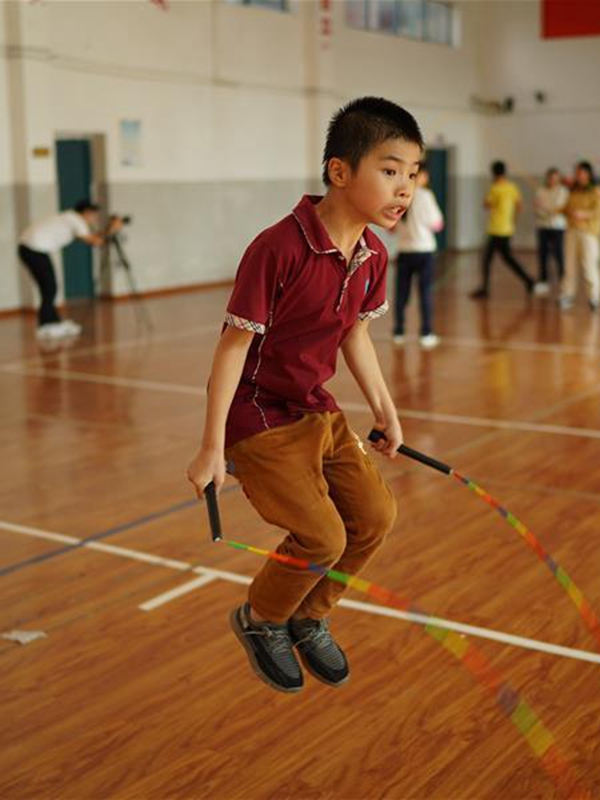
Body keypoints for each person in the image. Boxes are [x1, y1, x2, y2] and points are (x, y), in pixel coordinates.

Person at [185, 97, 412, 694]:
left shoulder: (373, 256)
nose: (405, 187)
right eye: (390, 170)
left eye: (412, 174)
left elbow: (355, 336)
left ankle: (310, 616)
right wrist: (211, 448)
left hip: (315, 408)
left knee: (375, 517)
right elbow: (232, 348)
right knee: (322, 537)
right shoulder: (278, 248)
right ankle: (261, 619)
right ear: (340, 172)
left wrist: (387, 413)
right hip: (257, 413)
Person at [17, 201, 121, 340]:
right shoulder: (76, 220)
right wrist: (112, 229)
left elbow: (93, 236)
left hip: (30, 248)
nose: (94, 219)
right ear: (86, 213)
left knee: (50, 286)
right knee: (49, 287)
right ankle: (46, 325)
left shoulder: (70, 217)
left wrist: (107, 230)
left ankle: (53, 322)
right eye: (93, 216)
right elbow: (95, 242)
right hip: (34, 250)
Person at [471, 161, 548, 300]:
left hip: (496, 230)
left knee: (497, 259)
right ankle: (488, 288)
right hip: (507, 229)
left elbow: (486, 204)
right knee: (495, 259)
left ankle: (528, 282)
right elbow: (519, 206)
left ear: (494, 173)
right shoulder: (512, 187)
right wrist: (511, 220)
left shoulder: (495, 188)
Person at [393, 166, 444, 348]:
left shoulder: (399, 195)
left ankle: (398, 331)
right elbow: (438, 224)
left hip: (404, 251)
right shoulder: (425, 196)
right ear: (421, 176)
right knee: (425, 293)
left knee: (401, 294)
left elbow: (391, 227)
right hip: (424, 251)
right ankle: (426, 333)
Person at [560, 161, 600, 311]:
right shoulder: (573, 191)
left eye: (580, 172)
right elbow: (565, 208)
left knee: (589, 266)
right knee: (569, 265)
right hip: (572, 231)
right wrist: (551, 208)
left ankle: (594, 297)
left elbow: (599, 211)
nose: (577, 175)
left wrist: (584, 214)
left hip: (589, 233)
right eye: (576, 172)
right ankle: (567, 294)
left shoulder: (596, 191)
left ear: (588, 174)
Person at [534, 167, 568, 288]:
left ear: (558, 179)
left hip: (558, 227)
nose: (552, 180)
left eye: (555, 178)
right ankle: (543, 280)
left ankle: (563, 279)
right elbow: (537, 209)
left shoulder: (563, 191)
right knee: (543, 254)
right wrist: (544, 211)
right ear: (547, 178)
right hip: (543, 226)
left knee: (558, 253)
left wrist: (549, 209)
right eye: (550, 178)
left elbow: (560, 208)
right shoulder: (540, 191)